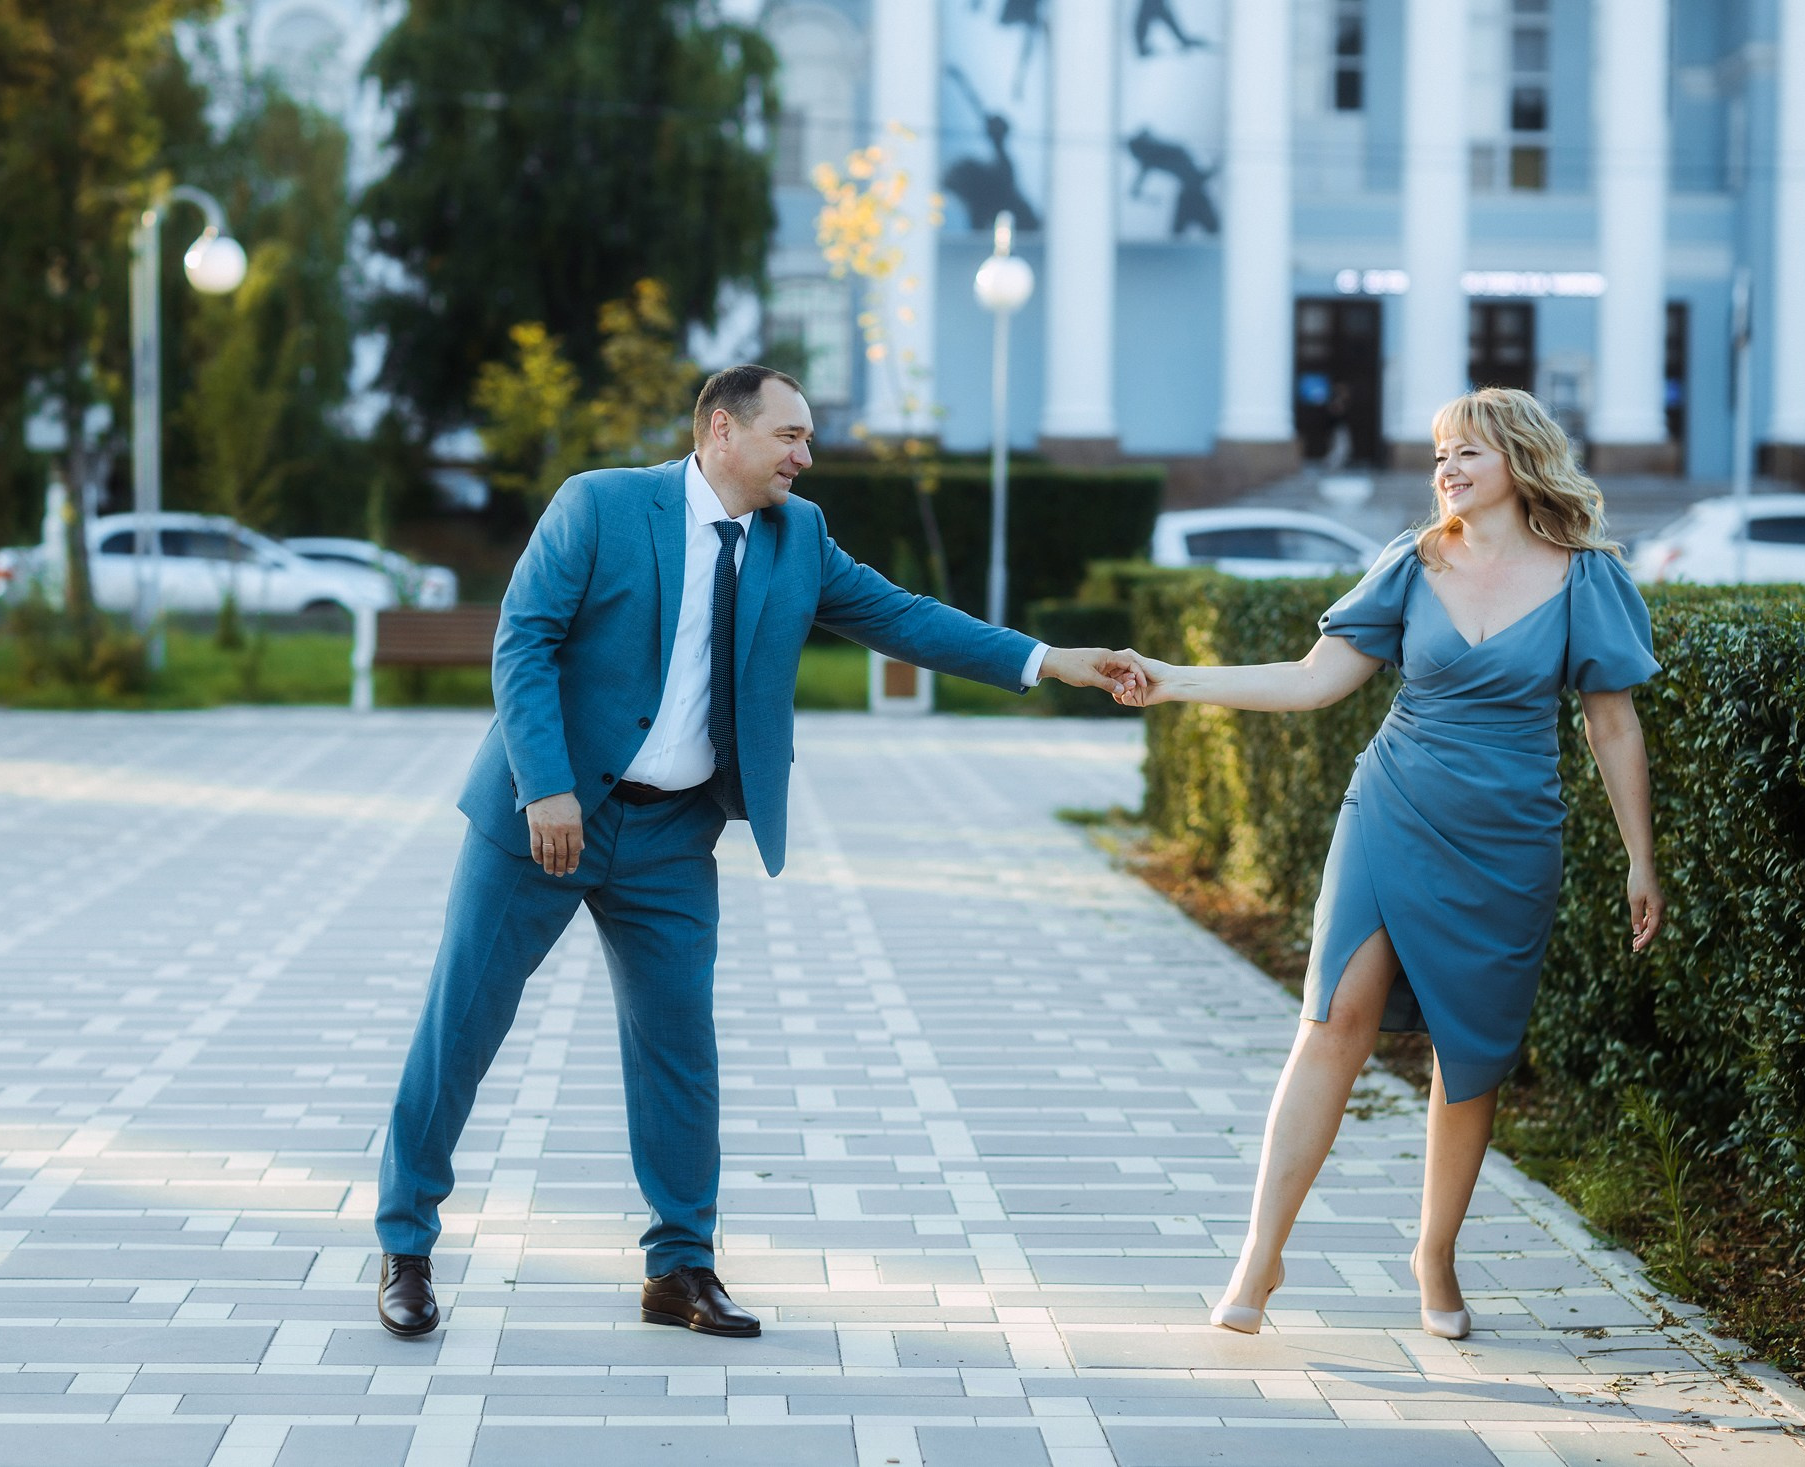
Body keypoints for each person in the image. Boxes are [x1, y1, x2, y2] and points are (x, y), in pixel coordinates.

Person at [373, 365, 1133, 1338]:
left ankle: (679, 1269)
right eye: (790, 437)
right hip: (541, 819)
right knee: (464, 1025)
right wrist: (547, 787)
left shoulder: (797, 537)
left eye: (806, 440)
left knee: (680, 1049)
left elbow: (902, 618)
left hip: (669, 835)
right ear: (721, 432)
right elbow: (522, 642)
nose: (805, 458)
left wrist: (1047, 660)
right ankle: (406, 1244)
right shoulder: (601, 507)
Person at [1113, 387, 1663, 1339]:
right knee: (1334, 1019)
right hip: (1393, 809)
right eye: (1441, 452)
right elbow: (1312, 679)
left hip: (1509, 839)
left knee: (1472, 1055)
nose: (1446, 467)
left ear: (1520, 462)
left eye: (1469, 453)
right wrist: (1173, 682)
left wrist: (1639, 858)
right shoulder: (1410, 563)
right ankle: (1261, 1252)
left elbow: (1610, 724)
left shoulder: (1585, 579)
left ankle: (1434, 1253)